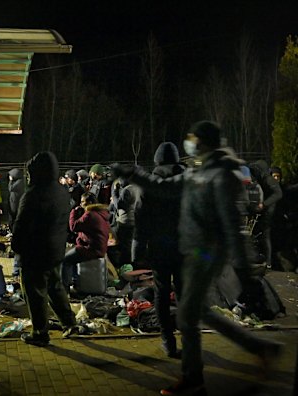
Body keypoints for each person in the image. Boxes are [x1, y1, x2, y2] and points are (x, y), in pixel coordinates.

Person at [116, 121, 282, 395]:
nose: (190, 144)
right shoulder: (201, 170)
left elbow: (231, 224)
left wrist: (243, 269)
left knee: (188, 314)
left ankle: (195, 379)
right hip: (194, 250)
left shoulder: (221, 175)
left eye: (194, 140)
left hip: (208, 252)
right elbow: (164, 186)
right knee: (193, 313)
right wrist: (134, 174)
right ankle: (258, 350)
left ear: (205, 143)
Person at [11, 152, 80, 347]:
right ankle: (70, 323)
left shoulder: (33, 194)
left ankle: (40, 332)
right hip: (55, 250)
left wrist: (16, 247)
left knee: (35, 293)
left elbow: (21, 225)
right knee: (55, 287)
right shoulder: (61, 192)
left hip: (34, 252)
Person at [131, 142, 185, 358]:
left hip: (160, 248)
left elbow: (140, 218)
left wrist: (138, 251)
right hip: (185, 247)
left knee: (162, 294)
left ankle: (168, 342)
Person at [61, 192, 110, 290]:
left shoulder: (89, 214)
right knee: (73, 256)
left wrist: (73, 212)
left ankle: (65, 288)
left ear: (90, 202)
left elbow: (73, 226)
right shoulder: (100, 214)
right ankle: (75, 282)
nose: (81, 204)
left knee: (65, 260)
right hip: (99, 247)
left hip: (91, 249)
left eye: (83, 202)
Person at [248, 160, 283, 269]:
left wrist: (264, 204)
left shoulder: (269, 180)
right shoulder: (261, 179)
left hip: (268, 209)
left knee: (265, 234)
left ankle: (268, 262)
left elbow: (278, 194)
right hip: (264, 207)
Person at [8, 168, 25, 276]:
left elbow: (10, 188)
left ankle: (16, 270)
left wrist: (10, 180)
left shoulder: (18, 183)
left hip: (16, 208)